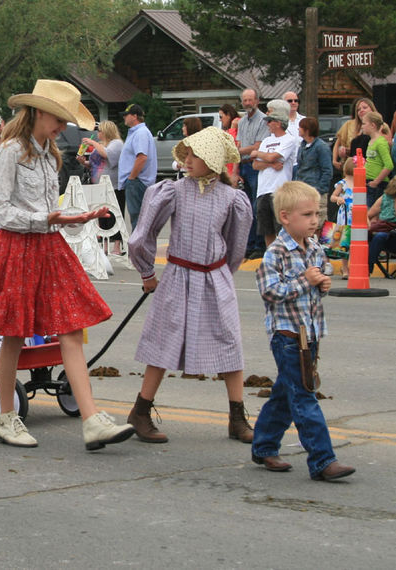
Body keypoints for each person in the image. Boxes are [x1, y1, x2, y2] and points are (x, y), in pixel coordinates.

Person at [0, 79, 135, 450]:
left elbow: (48, 209)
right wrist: (48, 221)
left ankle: (91, 421)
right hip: (17, 247)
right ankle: (7, 417)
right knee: (14, 333)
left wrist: (79, 216)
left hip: (48, 246)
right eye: (59, 118)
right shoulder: (10, 151)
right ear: (38, 111)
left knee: (70, 327)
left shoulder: (50, 154)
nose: (63, 127)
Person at [127, 127, 253, 444]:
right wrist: (147, 274)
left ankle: (237, 418)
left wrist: (221, 274)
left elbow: (236, 247)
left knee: (229, 344)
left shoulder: (232, 198)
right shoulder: (174, 191)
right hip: (177, 277)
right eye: (187, 154)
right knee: (163, 343)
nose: (187, 160)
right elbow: (142, 235)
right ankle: (140, 411)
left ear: (212, 160)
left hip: (214, 278)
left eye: (195, 155)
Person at [252, 181, 355, 481]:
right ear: (285, 217)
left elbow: (324, 269)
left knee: (286, 394)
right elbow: (270, 292)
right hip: (287, 336)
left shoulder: (313, 247)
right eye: (307, 214)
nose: (315, 221)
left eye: (317, 214)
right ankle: (323, 459)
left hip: (308, 335)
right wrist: (305, 281)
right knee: (305, 397)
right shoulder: (276, 252)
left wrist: (322, 281)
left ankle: (264, 445)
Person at [251, 99, 296, 247]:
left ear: (277, 122)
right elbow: (255, 164)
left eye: (270, 120)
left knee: (281, 227)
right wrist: (269, 163)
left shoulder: (289, 139)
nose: (267, 124)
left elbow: (272, 156)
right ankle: (270, 256)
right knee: (266, 228)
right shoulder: (265, 141)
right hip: (263, 189)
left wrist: (257, 153)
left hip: (279, 190)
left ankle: (284, 255)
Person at [78, 121, 124, 254]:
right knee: (102, 215)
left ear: (106, 131)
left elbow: (107, 155)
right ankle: (104, 246)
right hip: (98, 184)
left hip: (113, 185)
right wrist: (84, 162)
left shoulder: (116, 143)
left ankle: (117, 246)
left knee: (115, 214)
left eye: (100, 131)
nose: (98, 134)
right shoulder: (101, 145)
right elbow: (94, 163)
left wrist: (93, 144)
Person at [237, 89, 270, 258]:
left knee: (258, 207)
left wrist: (241, 149)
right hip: (243, 165)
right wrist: (236, 170)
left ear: (257, 101)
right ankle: (249, 245)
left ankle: (259, 244)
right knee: (246, 208)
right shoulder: (242, 122)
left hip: (255, 166)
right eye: (245, 100)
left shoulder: (264, 120)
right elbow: (238, 145)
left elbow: (258, 146)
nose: (248, 103)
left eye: (250, 100)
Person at [118, 103, 157, 230]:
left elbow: (142, 157)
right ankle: (140, 247)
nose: (124, 117)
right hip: (137, 181)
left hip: (137, 182)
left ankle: (139, 248)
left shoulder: (140, 133)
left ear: (134, 116)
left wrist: (131, 178)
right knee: (138, 218)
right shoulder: (138, 132)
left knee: (138, 218)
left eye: (126, 115)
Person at [294, 117, 333, 228]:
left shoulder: (321, 147)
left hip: (316, 190)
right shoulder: (302, 146)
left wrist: (320, 189)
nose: (298, 129)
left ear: (307, 130)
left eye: (300, 127)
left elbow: (327, 170)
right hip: (302, 190)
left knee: (318, 221)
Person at [332, 97, 377, 172]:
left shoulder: (380, 126)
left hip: (371, 171)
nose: (361, 110)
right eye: (358, 109)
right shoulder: (350, 125)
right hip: (352, 169)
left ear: (372, 108)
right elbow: (338, 143)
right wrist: (338, 157)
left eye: (365, 107)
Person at [361, 111, 393, 207]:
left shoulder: (380, 143)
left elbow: (389, 165)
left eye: (364, 123)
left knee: (370, 211)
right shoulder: (371, 141)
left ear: (373, 125)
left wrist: (377, 181)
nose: (362, 126)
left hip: (377, 184)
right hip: (368, 181)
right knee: (363, 208)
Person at [330, 157, 354, 279]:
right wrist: (338, 198)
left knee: (355, 243)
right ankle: (345, 268)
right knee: (344, 243)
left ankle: (352, 266)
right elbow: (332, 197)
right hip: (345, 215)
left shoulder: (360, 183)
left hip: (356, 216)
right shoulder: (342, 183)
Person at [367, 177, 396, 274]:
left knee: (380, 236)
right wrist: (369, 225)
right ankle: (367, 268)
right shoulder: (385, 198)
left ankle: (367, 267)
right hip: (386, 233)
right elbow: (367, 216)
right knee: (374, 235)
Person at [283, 91, 305, 177]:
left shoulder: (304, 121)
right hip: (284, 165)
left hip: (300, 165)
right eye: (290, 101)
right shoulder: (279, 122)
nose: (293, 103)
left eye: (296, 101)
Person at [219, 103, 240, 184]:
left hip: (234, 170)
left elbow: (232, 145)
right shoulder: (226, 130)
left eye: (221, 116)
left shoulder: (236, 124)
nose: (220, 120)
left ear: (228, 115)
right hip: (226, 169)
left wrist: (232, 128)